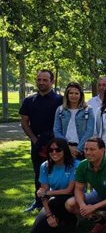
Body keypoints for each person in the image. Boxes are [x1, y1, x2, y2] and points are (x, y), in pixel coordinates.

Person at [20, 70, 63, 211]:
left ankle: (59, 202)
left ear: (52, 81)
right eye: (39, 79)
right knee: (39, 172)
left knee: (60, 171)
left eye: (45, 80)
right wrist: (34, 139)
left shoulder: (60, 100)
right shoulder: (29, 100)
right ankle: (39, 202)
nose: (42, 82)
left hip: (56, 142)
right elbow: (25, 122)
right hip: (37, 142)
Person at [30, 138, 78, 233]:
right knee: (37, 231)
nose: (54, 152)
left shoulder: (75, 165)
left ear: (65, 150)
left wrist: (45, 193)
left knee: (55, 202)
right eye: (51, 150)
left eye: (58, 149)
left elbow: (69, 191)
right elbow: (43, 191)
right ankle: (57, 220)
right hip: (53, 198)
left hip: (72, 197)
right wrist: (49, 215)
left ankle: (70, 219)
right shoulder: (45, 166)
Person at [53, 82, 95, 159]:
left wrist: (78, 149)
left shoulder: (88, 110)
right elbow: (56, 130)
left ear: (81, 95)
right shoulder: (60, 110)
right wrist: (67, 147)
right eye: (71, 93)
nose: (73, 96)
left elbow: (89, 131)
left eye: (76, 93)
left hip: (82, 149)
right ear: (67, 95)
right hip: (64, 148)